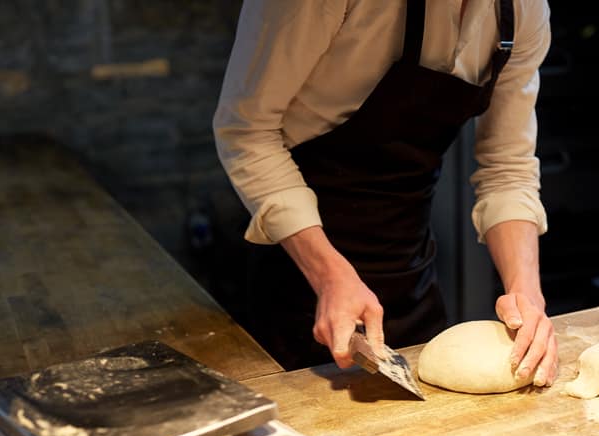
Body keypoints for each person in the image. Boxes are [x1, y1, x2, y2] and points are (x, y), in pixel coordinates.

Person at [213, 0, 558, 387]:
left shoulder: (523, 10)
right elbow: (246, 131)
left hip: (409, 268)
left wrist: (526, 293)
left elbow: (506, 166)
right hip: (298, 279)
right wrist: (329, 275)